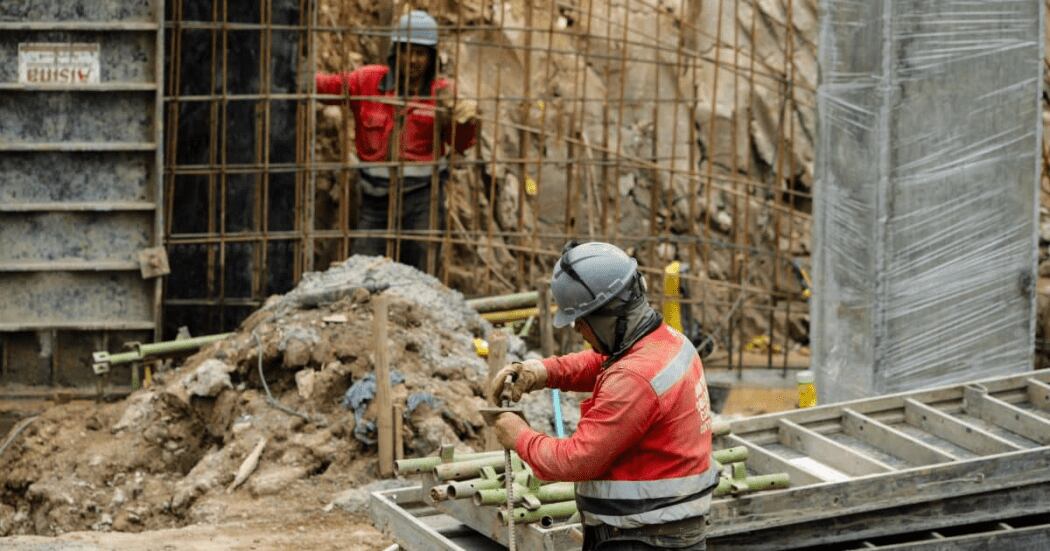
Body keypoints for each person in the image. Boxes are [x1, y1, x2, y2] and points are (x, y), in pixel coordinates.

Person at [488, 241, 716, 550]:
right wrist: (541, 371)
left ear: (609, 316)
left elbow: (576, 461)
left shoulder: (635, 378)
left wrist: (519, 437)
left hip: (642, 539)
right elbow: (605, 362)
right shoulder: (666, 343)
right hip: (665, 531)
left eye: (582, 319)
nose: (578, 328)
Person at [315, 10, 478, 271]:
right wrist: (296, 76)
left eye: (420, 53)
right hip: (375, 199)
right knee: (363, 271)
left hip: (422, 199)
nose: (412, 60)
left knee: (422, 273)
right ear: (395, 51)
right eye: (406, 51)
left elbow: (461, 145)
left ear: (431, 57)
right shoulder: (367, 81)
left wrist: (465, 122)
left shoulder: (442, 94)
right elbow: (324, 87)